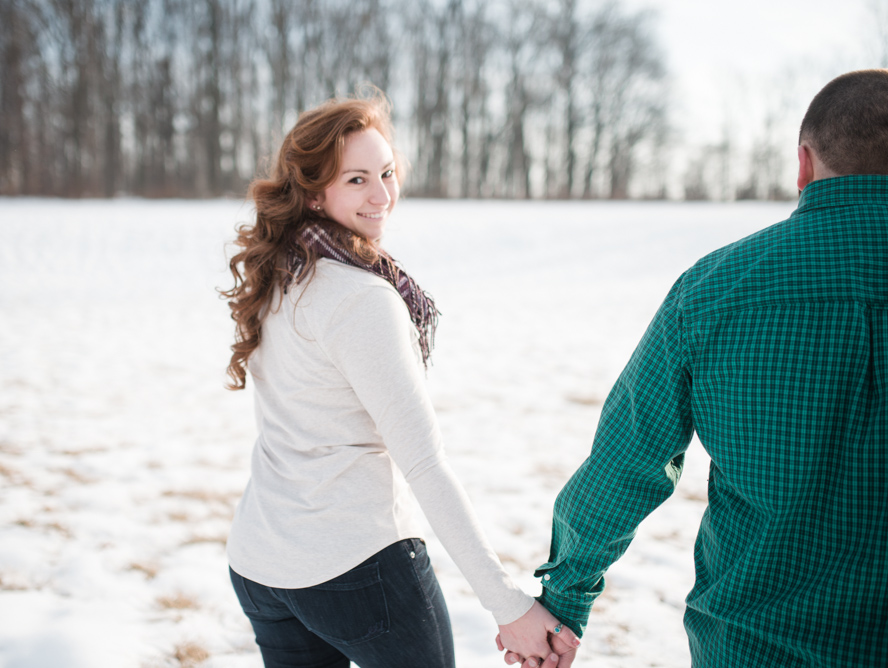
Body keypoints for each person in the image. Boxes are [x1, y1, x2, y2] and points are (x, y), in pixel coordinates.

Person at [501, 69, 888, 668]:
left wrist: (563, 601)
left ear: (804, 164)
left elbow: (627, 462)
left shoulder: (714, 290)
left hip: (754, 648)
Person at [222, 90, 579, 668]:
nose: (383, 195)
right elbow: (424, 463)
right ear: (315, 192)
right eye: (357, 179)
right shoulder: (359, 298)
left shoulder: (279, 273)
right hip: (355, 570)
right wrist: (508, 605)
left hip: (262, 566)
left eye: (386, 173)